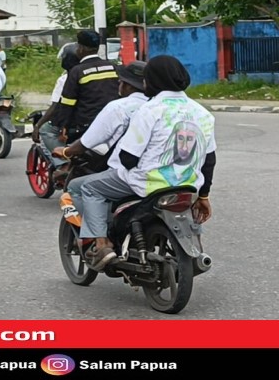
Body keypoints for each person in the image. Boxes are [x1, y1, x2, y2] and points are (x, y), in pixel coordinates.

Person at [72, 55, 216, 271]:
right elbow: (209, 160)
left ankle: (102, 245)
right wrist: (203, 195)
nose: (144, 84)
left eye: (147, 79)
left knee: (88, 187)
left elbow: (128, 158)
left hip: (147, 183)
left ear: (154, 81)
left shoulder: (149, 110)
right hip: (188, 186)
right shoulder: (203, 113)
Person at [51, 61, 149, 225]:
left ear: (128, 86)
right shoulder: (159, 107)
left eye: (121, 81)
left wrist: (66, 152)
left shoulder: (118, 107)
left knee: (79, 187)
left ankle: (99, 240)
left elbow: (86, 142)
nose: (118, 84)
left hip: (129, 173)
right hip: (169, 176)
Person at [52, 30, 119, 145]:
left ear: (81, 48)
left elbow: (67, 102)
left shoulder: (76, 71)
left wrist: (62, 126)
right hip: (113, 122)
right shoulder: (113, 67)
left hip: (85, 125)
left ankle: (62, 162)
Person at [31, 43, 81, 169]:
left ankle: (63, 163)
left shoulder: (64, 79)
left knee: (46, 130)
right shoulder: (88, 73)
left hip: (73, 121)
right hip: (91, 116)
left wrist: (38, 125)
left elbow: (55, 107)